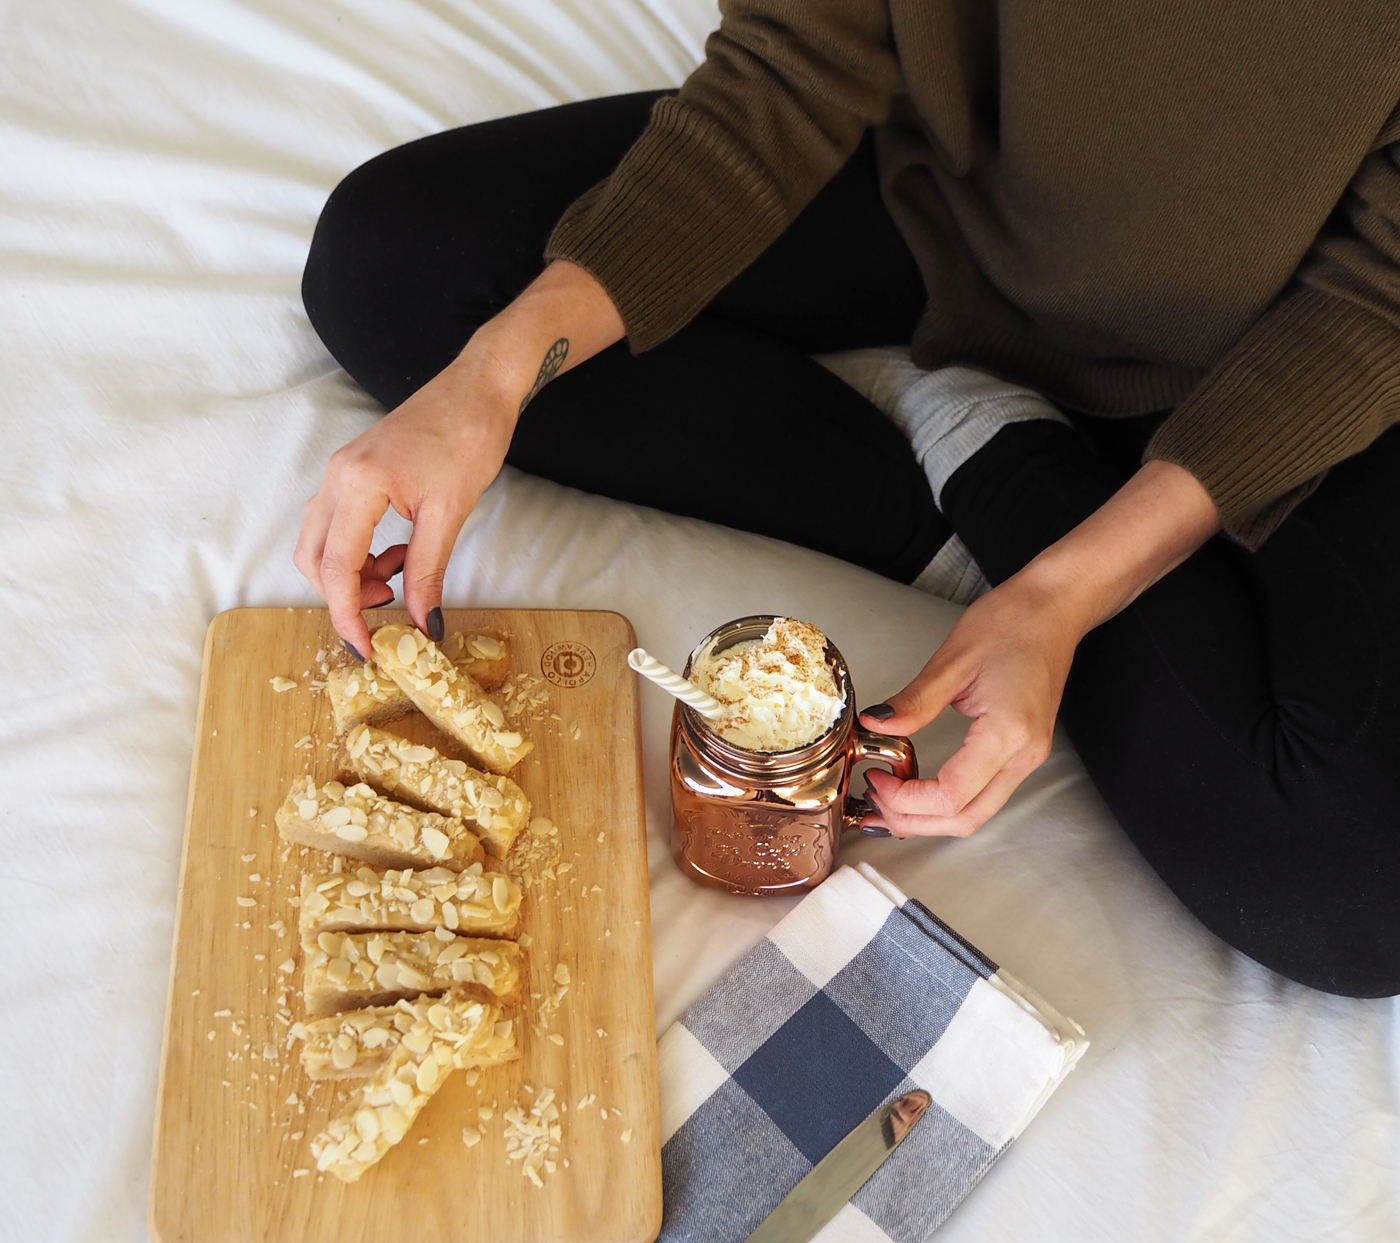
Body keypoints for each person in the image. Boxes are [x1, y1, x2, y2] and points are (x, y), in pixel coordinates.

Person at [295, 3, 1400, 997]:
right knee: (391, 267)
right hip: (939, 199)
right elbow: (794, 65)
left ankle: (1002, 469)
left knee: (1357, 905)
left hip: (1291, 347)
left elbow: (1376, 304)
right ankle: (966, 485)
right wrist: (492, 380)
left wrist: (1060, 596)